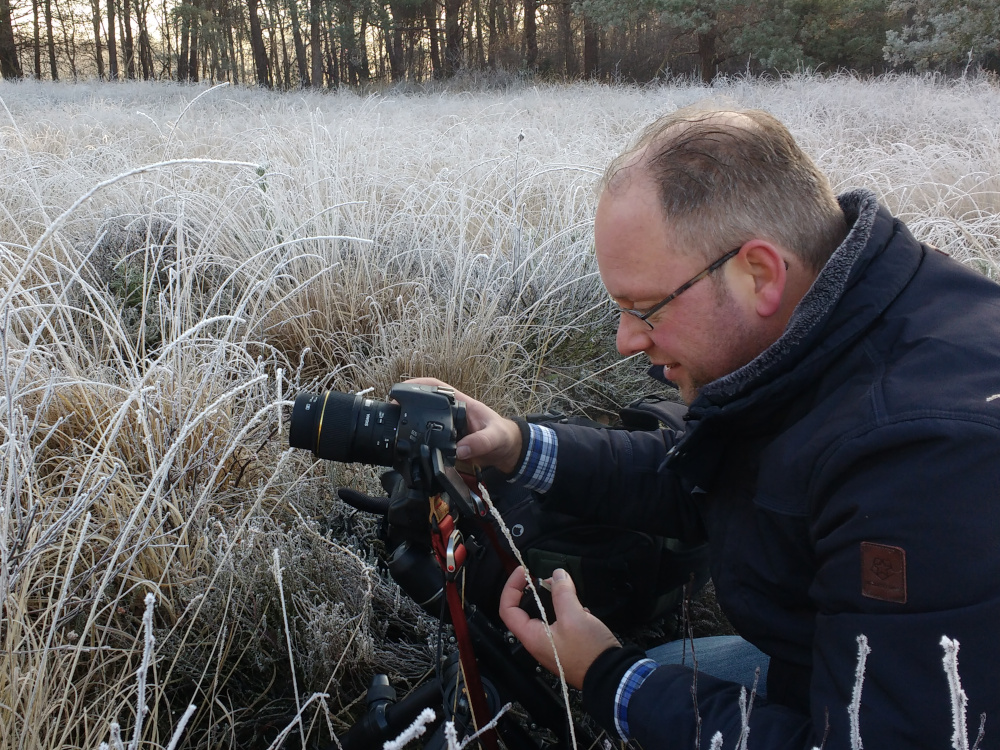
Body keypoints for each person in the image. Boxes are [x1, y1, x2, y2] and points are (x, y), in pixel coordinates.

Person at [414, 106, 1000, 748]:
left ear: (760, 274)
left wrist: (610, 675)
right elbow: (703, 475)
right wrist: (516, 446)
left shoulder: (921, 460)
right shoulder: (836, 327)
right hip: (827, 668)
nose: (624, 341)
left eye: (645, 309)